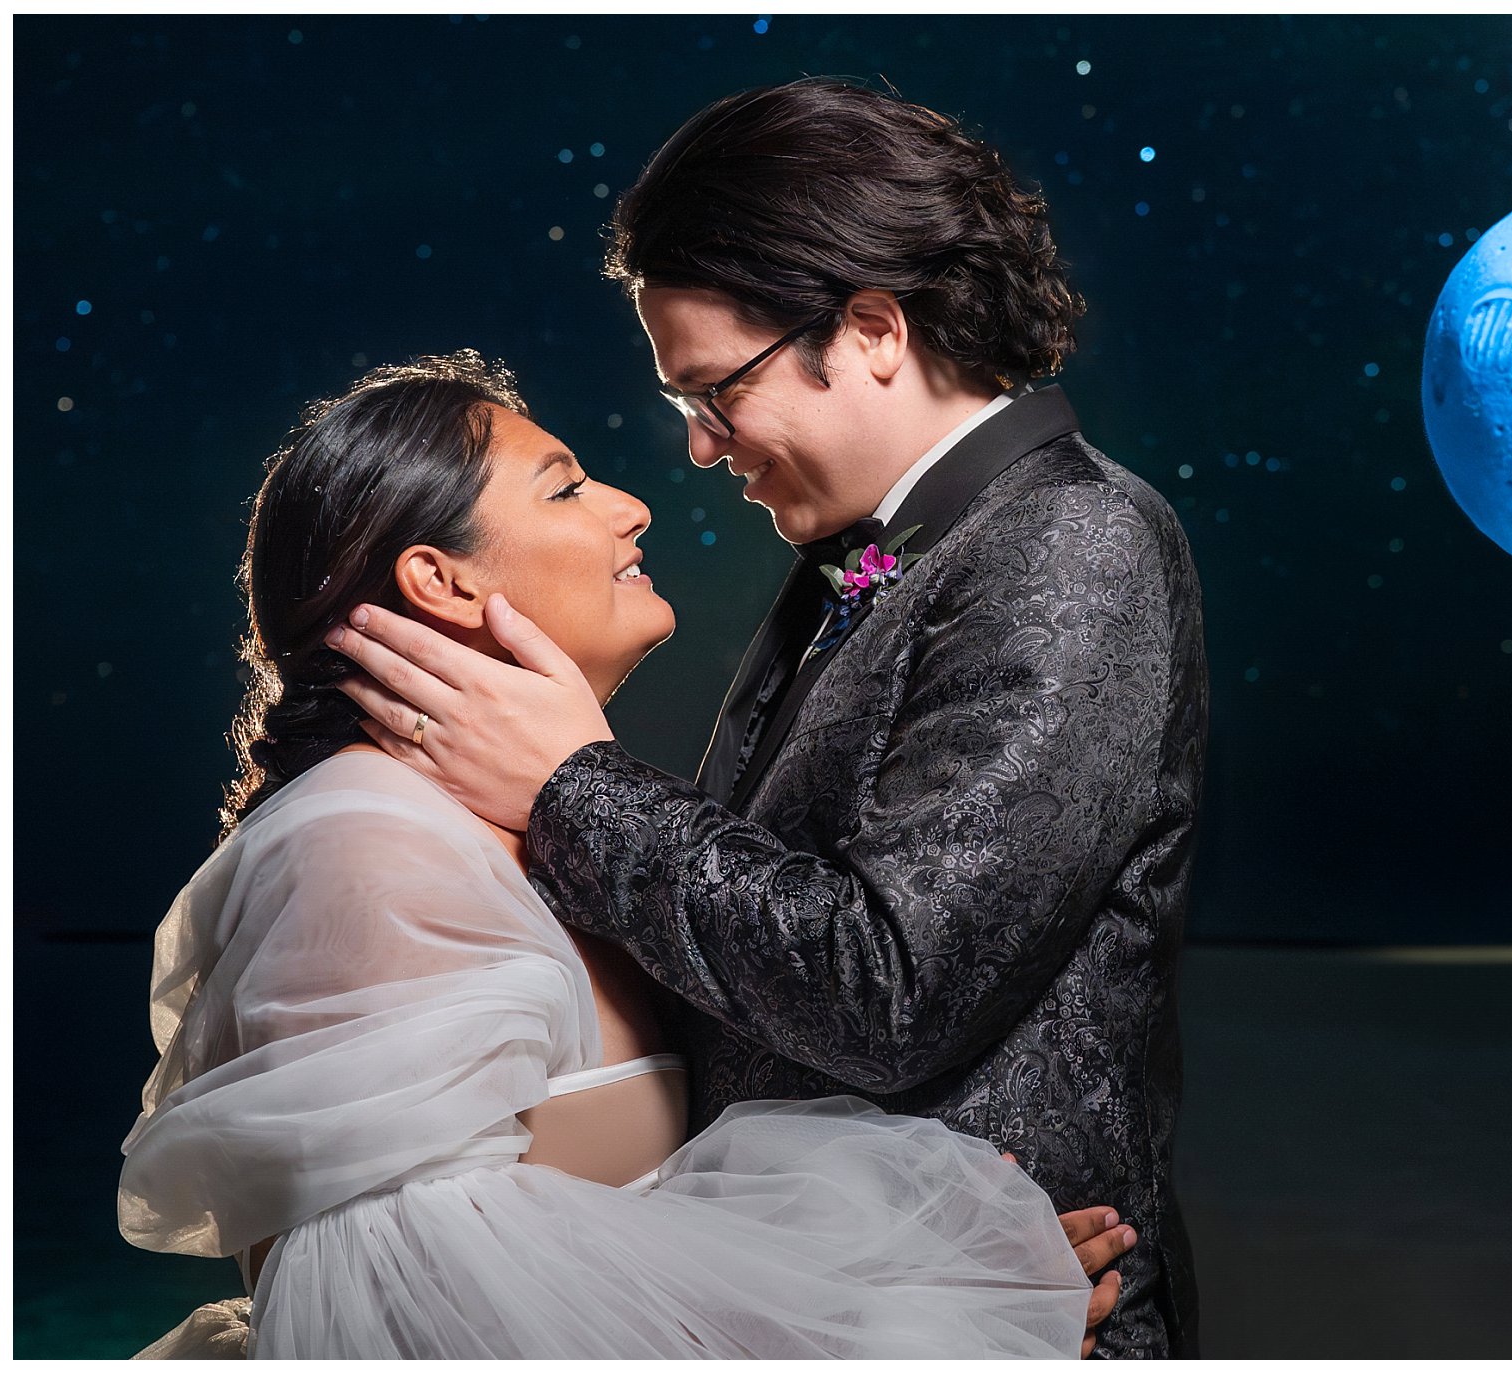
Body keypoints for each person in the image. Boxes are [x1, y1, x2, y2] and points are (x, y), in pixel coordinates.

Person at [325, 79, 1208, 1357]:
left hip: (1020, 1325)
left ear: (868, 330)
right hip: (870, 1309)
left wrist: (571, 781)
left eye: (711, 393)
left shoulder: (1073, 540)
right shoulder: (862, 551)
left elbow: (885, 992)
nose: (692, 450)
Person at [119, 354, 1134, 1358]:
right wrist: (911, 1319)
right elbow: (392, 1299)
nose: (632, 506)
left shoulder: (518, 827)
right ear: (440, 578)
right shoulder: (363, 843)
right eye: (563, 486)